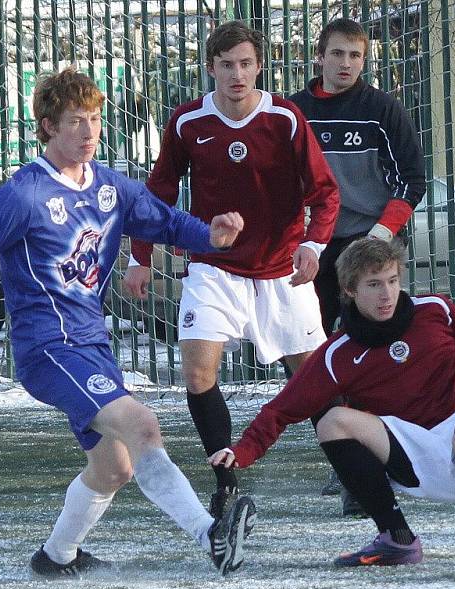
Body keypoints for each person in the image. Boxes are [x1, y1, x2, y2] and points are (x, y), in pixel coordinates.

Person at [0, 66, 256, 578]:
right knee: (143, 424)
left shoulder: (108, 185)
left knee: (115, 467)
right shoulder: (22, 195)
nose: (88, 132)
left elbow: (164, 220)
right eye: (76, 121)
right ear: (48, 127)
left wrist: (209, 235)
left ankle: (55, 557)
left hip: (91, 347)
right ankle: (209, 536)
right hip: (48, 350)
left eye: (95, 119)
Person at [209, 238, 455, 572]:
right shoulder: (337, 354)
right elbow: (282, 409)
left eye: (393, 281)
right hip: (416, 446)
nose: (387, 294)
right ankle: (397, 539)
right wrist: (241, 452)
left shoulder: (435, 310)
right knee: (332, 421)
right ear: (350, 290)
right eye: (374, 284)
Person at [122, 20, 340, 519]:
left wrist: (314, 245)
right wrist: (139, 257)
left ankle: (352, 472)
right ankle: (225, 485)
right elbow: (158, 196)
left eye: (245, 64)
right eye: (226, 65)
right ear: (210, 69)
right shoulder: (187, 122)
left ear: (259, 66)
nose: (236, 74)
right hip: (213, 270)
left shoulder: (284, 119)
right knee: (198, 374)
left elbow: (325, 193)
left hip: (282, 272)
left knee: (312, 381)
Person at [289, 18, 427, 510]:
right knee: (317, 357)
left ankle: (379, 462)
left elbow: (412, 180)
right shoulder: (293, 112)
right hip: (313, 248)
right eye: (338, 54)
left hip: (367, 244)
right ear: (319, 57)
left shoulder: (382, 110)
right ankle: (346, 461)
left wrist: (379, 236)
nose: (346, 64)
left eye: (356, 56)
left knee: (375, 354)